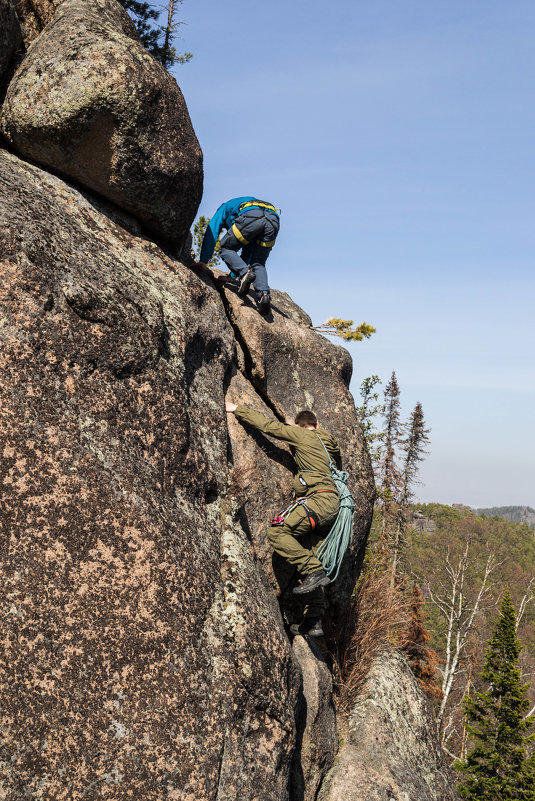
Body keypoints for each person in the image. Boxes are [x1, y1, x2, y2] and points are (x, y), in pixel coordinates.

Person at [225, 401, 341, 637]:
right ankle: (314, 619)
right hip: (333, 508)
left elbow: (268, 427)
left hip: (316, 501)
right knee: (305, 552)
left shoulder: (298, 433)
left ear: (298, 425)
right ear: (317, 424)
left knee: (278, 533)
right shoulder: (328, 441)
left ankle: (313, 570)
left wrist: (237, 409)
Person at [197, 197, 280, 315]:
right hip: (273, 220)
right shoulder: (240, 204)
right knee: (258, 262)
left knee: (226, 247)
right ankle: (264, 295)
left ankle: (244, 274)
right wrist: (232, 276)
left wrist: (203, 260)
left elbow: (212, 230)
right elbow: (248, 254)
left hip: (252, 216)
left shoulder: (224, 208)